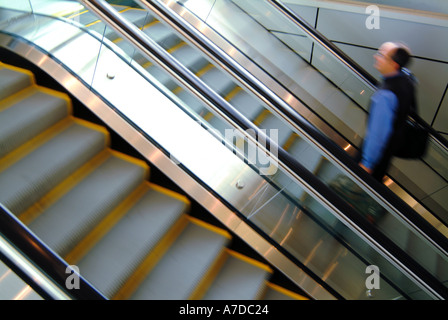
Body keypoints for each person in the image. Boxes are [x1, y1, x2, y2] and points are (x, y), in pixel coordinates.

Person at [358, 41, 417, 182]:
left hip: (373, 163)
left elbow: (377, 134)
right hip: (387, 155)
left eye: (381, 55)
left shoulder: (385, 96)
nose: (375, 56)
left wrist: (367, 164)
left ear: (394, 64)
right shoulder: (408, 80)